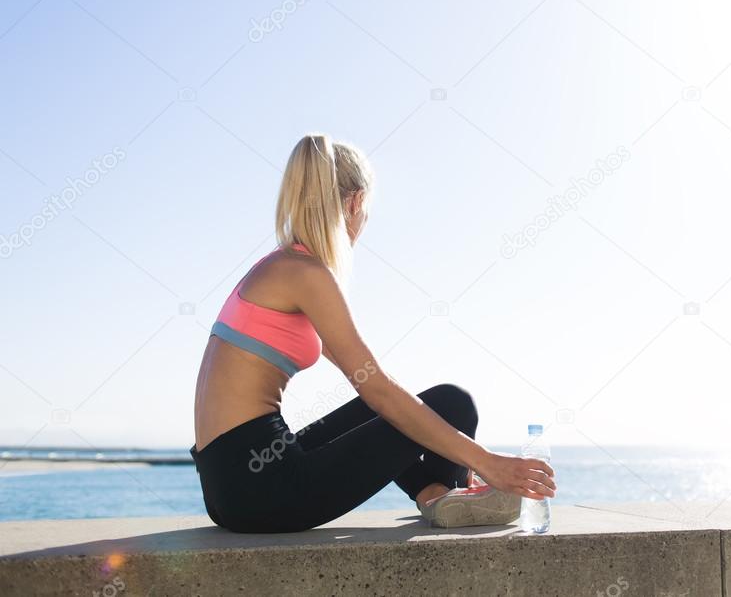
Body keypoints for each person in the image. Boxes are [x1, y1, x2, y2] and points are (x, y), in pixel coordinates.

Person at [190, 134, 555, 533]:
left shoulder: (275, 268)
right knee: (453, 404)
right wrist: (489, 462)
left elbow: (376, 394)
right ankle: (444, 493)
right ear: (355, 202)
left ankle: (433, 492)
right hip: (264, 490)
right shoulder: (308, 275)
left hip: (228, 485)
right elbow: (377, 387)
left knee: (391, 410)